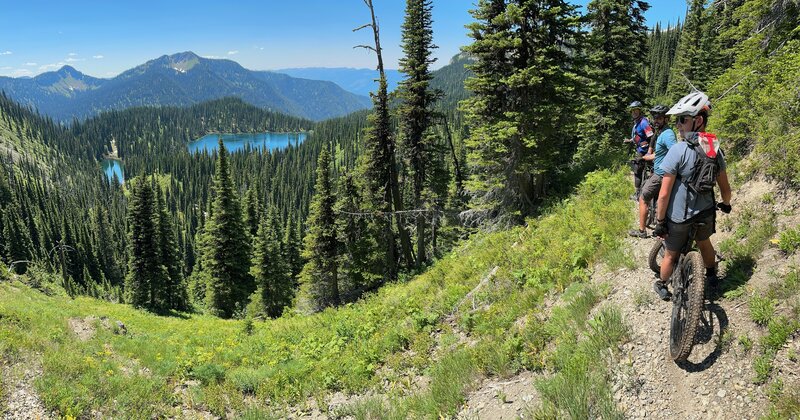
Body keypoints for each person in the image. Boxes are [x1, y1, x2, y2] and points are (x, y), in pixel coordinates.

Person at [652, 91, 732, 300]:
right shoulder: (715, 149)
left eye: (682, 120)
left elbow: (663, 194)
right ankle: (712, 276)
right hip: (705, 213)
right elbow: (725, 188)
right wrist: (726, 204)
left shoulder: (677, 150)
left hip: (679, 217)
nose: (677, 125)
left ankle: (662, 284)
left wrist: (660, 222)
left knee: (671, 252)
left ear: (697, 121)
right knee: (704, 242)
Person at [628, 105, 677, 238]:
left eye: (659, 118)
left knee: (643, 197)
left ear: (666, 119)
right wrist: (646, 157)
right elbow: (660, 153)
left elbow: (675, 152)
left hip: (661, 174)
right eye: (655, 118)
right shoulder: (662, 132)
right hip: (660, 171)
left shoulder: (667, 134)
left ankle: (642, 231)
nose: (656, 121)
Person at [625, 101, 655, 201]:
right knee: (645, 170)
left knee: (637, 170)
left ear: (640, 111)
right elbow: (639, 136)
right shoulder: (637, 123)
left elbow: (651, 136)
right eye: (632, 111)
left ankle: (638, 194)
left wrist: (649, 150)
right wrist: (630, 140)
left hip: (644, 151)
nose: (634, 112)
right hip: (641, 149)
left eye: (636, 110)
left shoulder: (643, 122)